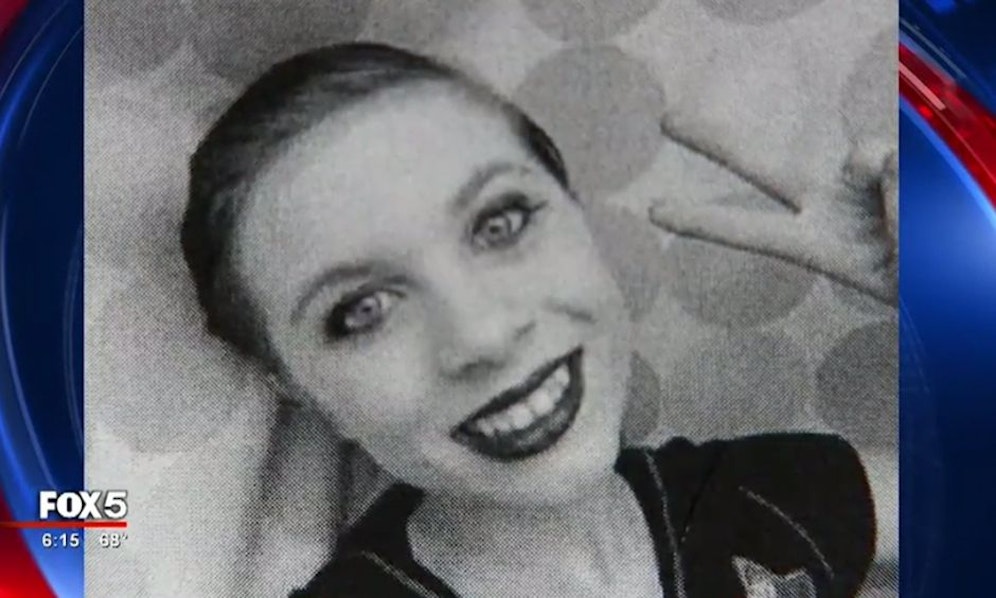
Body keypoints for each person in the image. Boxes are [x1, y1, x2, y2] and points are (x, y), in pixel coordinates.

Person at [182, 43, 893, 598]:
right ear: (295, 384)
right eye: (361, 311)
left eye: (500, 223)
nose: (484, 335)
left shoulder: (764, 494)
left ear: (576, 212)